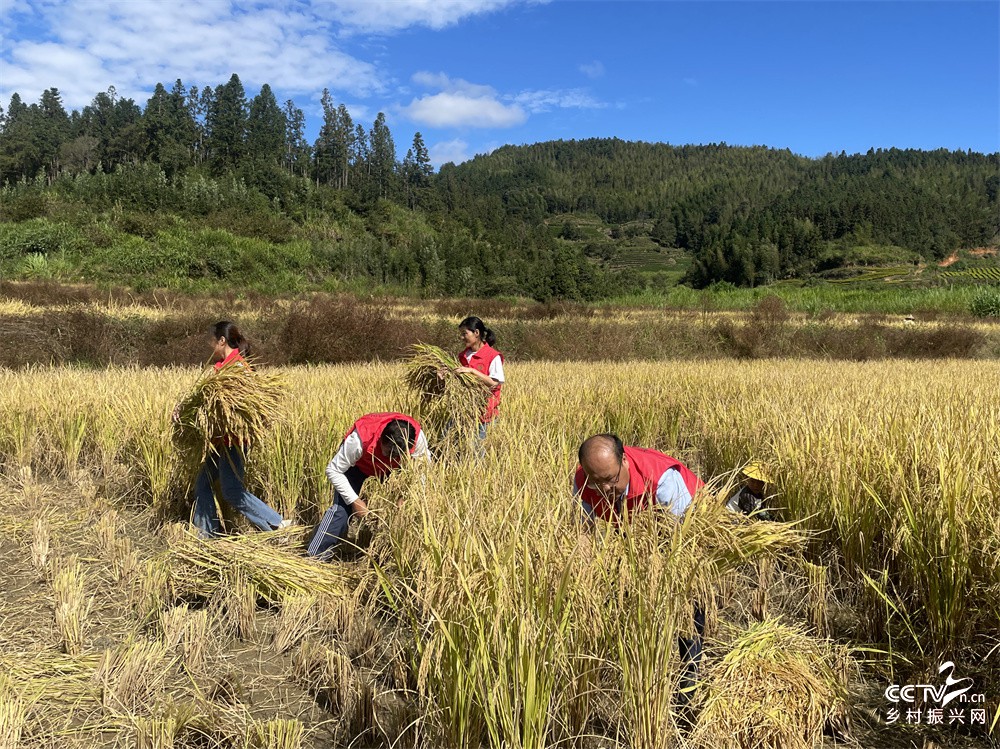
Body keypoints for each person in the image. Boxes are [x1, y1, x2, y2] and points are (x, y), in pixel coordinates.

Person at [572, 433, 705, 709]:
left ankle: (690, 674)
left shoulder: (662, 481)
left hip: (683, 526)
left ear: (625, 462)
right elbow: (582, 532)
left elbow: (684, 540)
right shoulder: (585, 481)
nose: (605, 488)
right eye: (597, 482)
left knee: (686, 602)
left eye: (610, 479)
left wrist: (656, 570)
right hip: (633, 527)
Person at [185, 321, 291, 538]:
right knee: (203, 483)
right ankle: (207, 536)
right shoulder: (223, 368)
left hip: (235, 440)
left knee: (232, 491)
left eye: (211, 341)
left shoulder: (238, 368)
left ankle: (277, 524)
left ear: (221, 341)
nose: (209, 346)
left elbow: (245, 407)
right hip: (219, 440)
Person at [307, 412, 431, 559]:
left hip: (395, 472)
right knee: (341, 510)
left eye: (396, 455)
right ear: (381, 440)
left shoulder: (417, 439)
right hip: (358, 467)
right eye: (387, 452)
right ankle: (315, 557)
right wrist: (355, 500)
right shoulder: (360, 439)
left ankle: (389, 556)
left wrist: (407, 496)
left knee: (403, 512)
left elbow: (423, 471)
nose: (389, 457)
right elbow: (333, 470)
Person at [453, 316, 505, 441]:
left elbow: (494, 383)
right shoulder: (463, 356)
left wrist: (472, 371)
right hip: (463, 413)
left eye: (464, 333)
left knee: (476, 453)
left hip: (484, 416)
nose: (462, 337)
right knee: (448, 443)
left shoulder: (493, 356)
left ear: (476, 333)